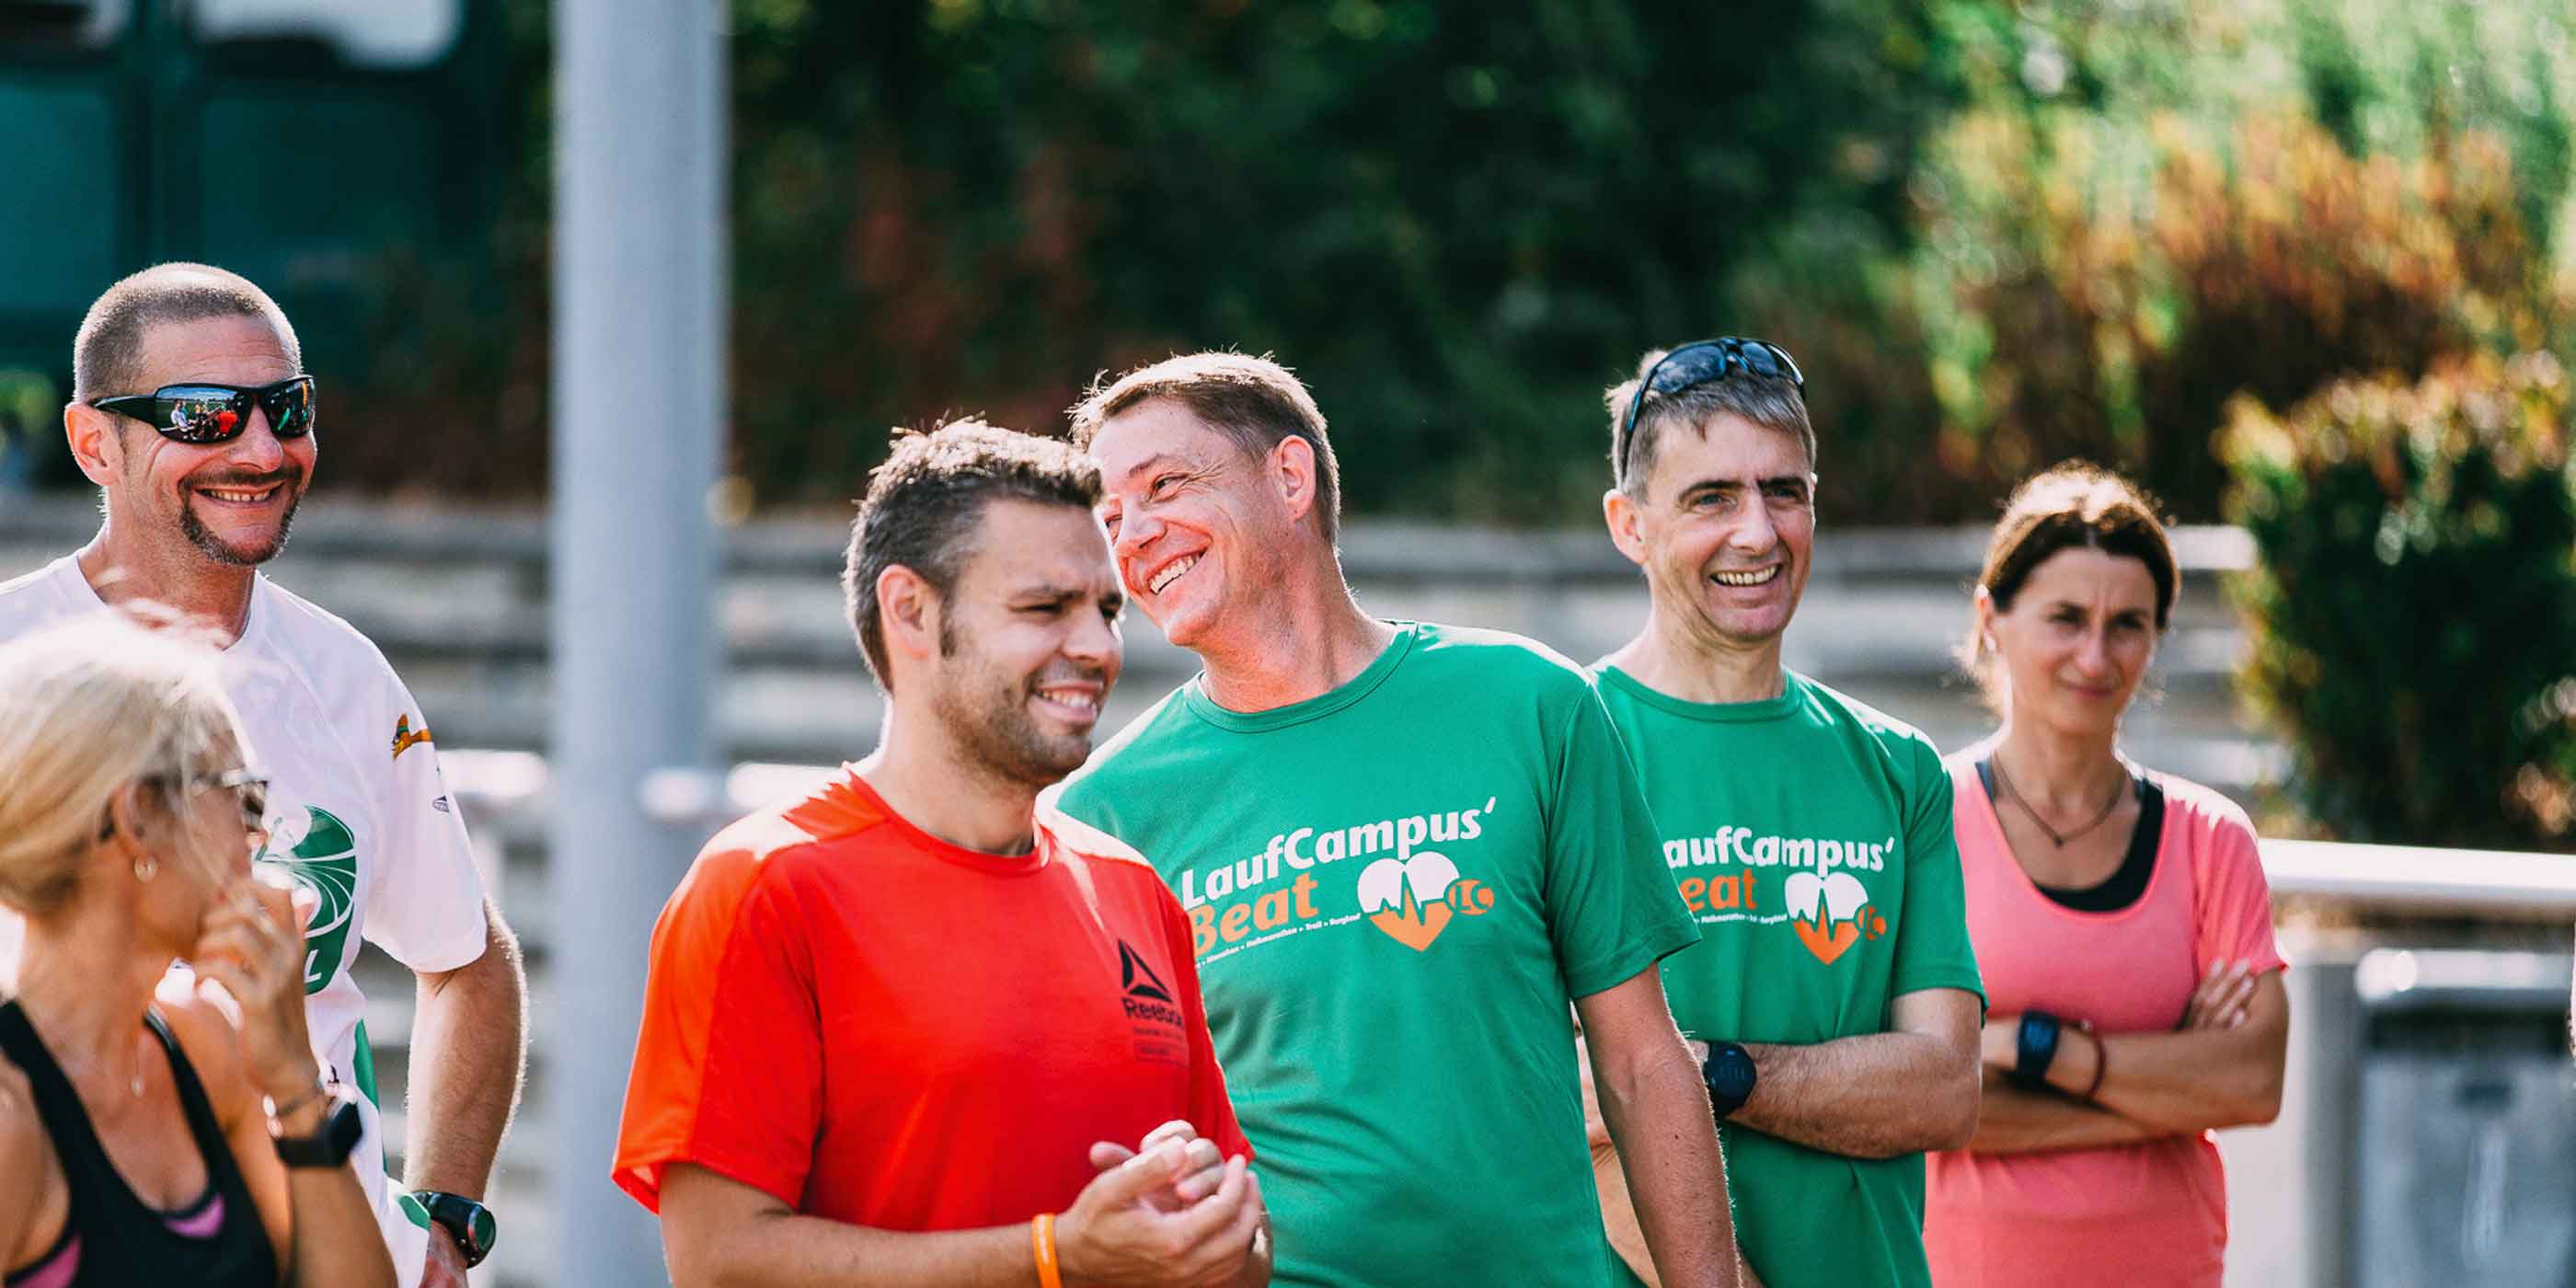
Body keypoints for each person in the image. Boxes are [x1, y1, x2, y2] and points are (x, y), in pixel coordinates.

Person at [1054, 352, 1750, 1288]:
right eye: (1109, 516)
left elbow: (1640, 1059)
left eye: (1164, 485)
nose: (1132, 535)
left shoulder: (1527, 702)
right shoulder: (1103, 814)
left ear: (1289, 477)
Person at [614, 420, 1270, 1288]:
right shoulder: (766, 885)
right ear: (911, 612)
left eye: (1105, 609)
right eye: (1046, 607)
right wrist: (1053, 1258)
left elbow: (1243, 1249)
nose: (1099, 647)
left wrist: (1211, 1241)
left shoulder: (1133, 889)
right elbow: (720, 1263)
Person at [0, 263, 528, 1287]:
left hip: (321, 1229)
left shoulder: (347, 677)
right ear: (91, 442)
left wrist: (448, 1218)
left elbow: (467, 957)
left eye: (286, 408)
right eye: (202, 415)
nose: (259, 448)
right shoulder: (14, 660)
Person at [1587, 339, 1986, 1288]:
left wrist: (1711, 1070)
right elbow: (1574, 1110)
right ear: (1629, 524)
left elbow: (1941, 1089)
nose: (1758, 533)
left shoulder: (1894, 767)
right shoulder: (1564, 746)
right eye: (1711, 497)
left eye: (1785, 491)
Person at [1919, 464, 2288, 1288]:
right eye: (2066, 618)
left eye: (2128, 624)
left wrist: (2029, 1051)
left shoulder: (2210, 839)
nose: (2096, 654)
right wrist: (2168, 1081)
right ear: (1993, 619)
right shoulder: (1922, 823)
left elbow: (2254, 1082)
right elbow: (1919, 1102)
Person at [0, 612, 395, 1288]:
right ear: (136, 818)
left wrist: (297, 1083)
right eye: (243, 798)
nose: (261, 838)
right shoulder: (11, 1121)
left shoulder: (206, 1041)